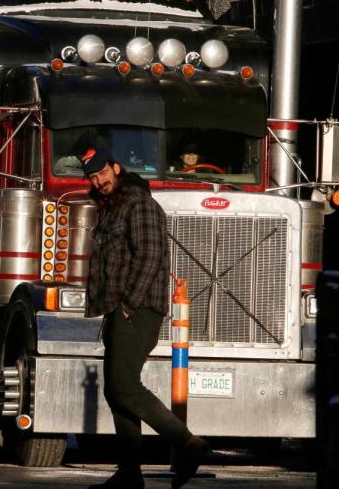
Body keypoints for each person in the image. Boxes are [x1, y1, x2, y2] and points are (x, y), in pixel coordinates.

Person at [79, 147, 210, 489]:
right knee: (115, 389)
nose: (99, 180)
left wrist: (128, 304)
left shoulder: (139, 203)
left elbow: (151, 254)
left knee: (124, 386)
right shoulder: (113, 207)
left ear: (116, 168)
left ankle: (188, 444)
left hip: (137, 311)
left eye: (103, 172)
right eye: (92, 176)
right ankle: (129, 474)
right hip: (119, 310)